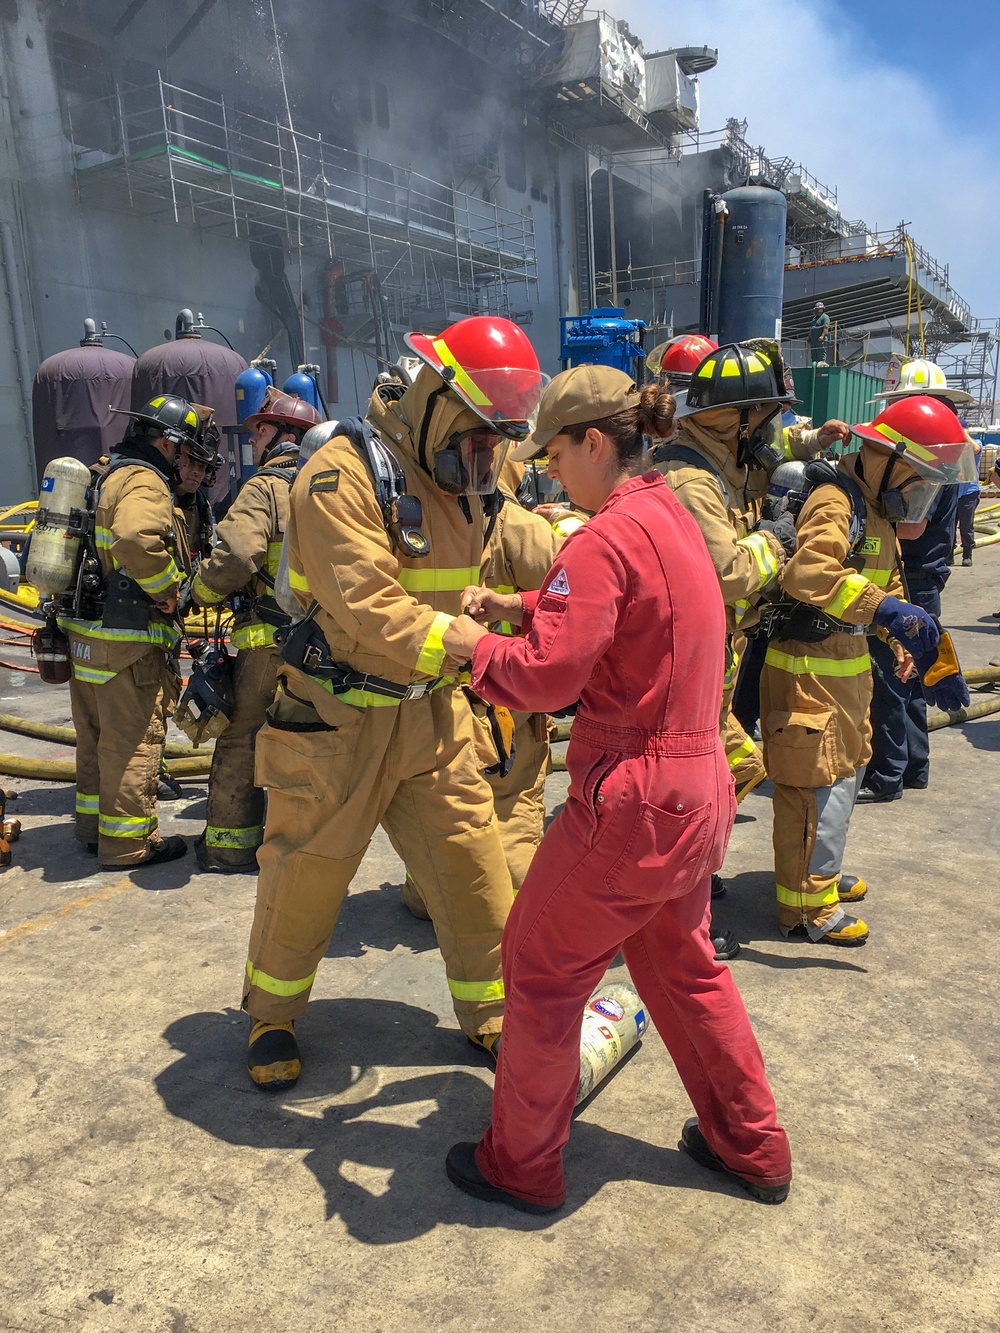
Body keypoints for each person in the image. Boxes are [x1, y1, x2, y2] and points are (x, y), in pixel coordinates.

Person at [441, 364, 792, 1214]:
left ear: (596, 441)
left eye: (556, 454)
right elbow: (625, 614)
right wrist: (523, 603)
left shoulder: (599, 538)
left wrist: (472, 647)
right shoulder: (669, 514)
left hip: (629, 803)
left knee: (539, 969)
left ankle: (520, 1164)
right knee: (684, 969)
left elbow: (552, 676)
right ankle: (753, 1146)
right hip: (697, 791)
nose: (550, 471)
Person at [240, 316, 544, 1090]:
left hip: (431, 717)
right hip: (335, 719)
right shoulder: (340, 476)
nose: (485, 461)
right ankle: (270, 1016)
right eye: (478, 439)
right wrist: (484, 651)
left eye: (496, 444)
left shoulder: (470, 482)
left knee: (473, 866)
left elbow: (523, 547)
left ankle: (495, 1013)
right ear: (435, 401)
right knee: (306, 874)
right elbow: (370, 607)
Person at [760, 396, 971, 944]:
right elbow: (808, 573)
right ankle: (807, 910)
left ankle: (821, 878)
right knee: (813, 787)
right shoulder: (835, 500)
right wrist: (884, 611)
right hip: (809, 672)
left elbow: (886, 580)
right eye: (915, 480)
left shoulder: (874, 506)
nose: (916, 495)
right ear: (885, 459)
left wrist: (903, 636)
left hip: (847, 673)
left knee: (844, 775)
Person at [60, 395, 198, 867]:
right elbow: (137, 538)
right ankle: (128, 844)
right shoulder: (145, 481)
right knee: (133, 741)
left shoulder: (106, 474)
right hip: (127, 642)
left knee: (94, 739)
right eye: (187, 452)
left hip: (85, 636)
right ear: (168, 443)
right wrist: (167, 591)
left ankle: (92, 830)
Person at [189, 389, 322, 872]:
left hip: (266, 643)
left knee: (243, 736)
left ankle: (230, 845)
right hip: (323, 646)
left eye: (262, 430)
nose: (255, 441)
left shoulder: (266, 487)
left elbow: (237, 555)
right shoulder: (337, 486)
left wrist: (200, 593)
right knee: (308, 739)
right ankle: (306, 849)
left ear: (290, 435)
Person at [860, 359, 974, 801]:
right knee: (915, 674)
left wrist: (872, 513)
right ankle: (914, 766)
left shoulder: (929, 459)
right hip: (927, 575)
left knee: (893, 676)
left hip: (912, 576)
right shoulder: (946, 452)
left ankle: (887, 774)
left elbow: (911, 527)